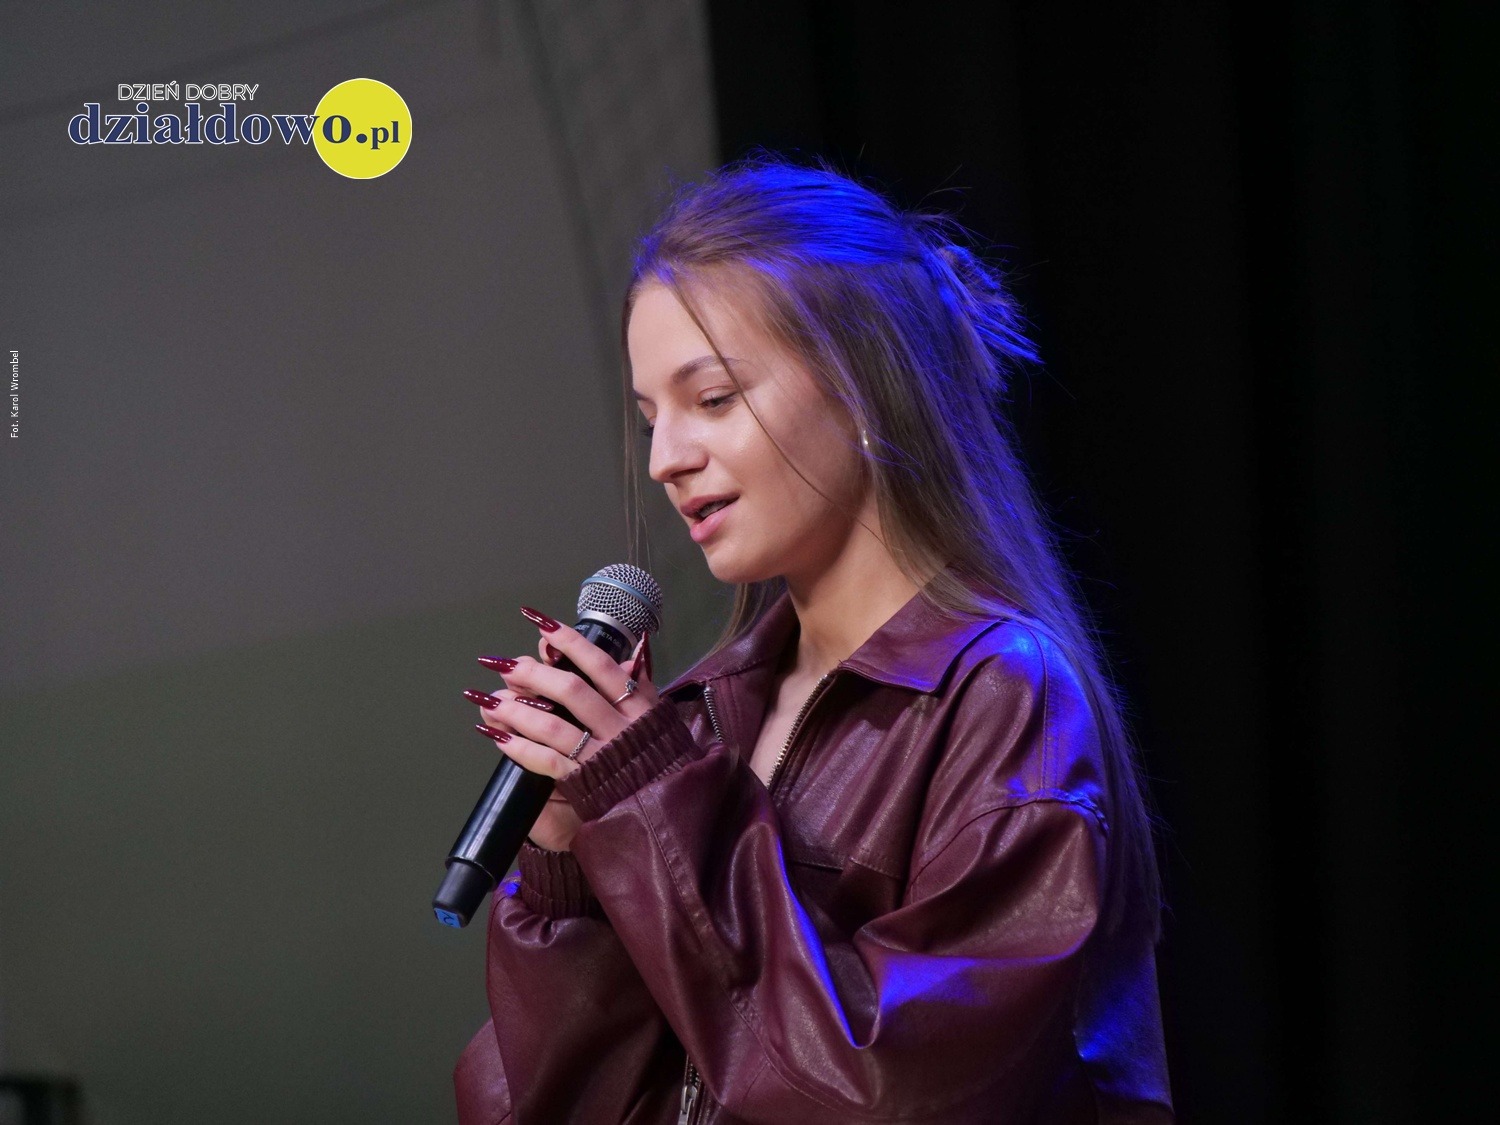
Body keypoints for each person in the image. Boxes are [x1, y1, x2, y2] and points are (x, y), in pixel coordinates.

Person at [453, 155, 1174, 1124]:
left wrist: (652, 802)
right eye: (650, 418)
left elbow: (898, 1088)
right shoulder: (701, 718)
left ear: (865, 386)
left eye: (713, 399)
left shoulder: (1006, 698)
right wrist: (569, 874)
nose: (666, 459)